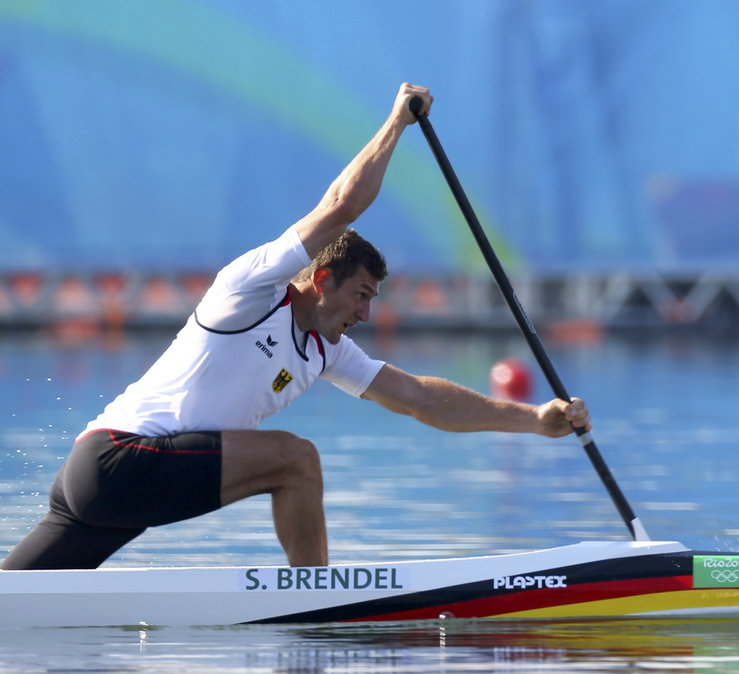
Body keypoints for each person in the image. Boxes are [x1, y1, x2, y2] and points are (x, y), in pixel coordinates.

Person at [2, 83, 590, 570]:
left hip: (104, 481)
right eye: (360, 294)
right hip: (121, 460)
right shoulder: (250, 291)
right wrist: (396, 123)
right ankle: (319, 600)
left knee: (16, 601)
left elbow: (418, 399)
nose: (365, 313)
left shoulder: (323, 350)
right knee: (297, 459)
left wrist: (535, 422)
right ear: (321, 280)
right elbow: (340, 208)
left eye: (372, 301)